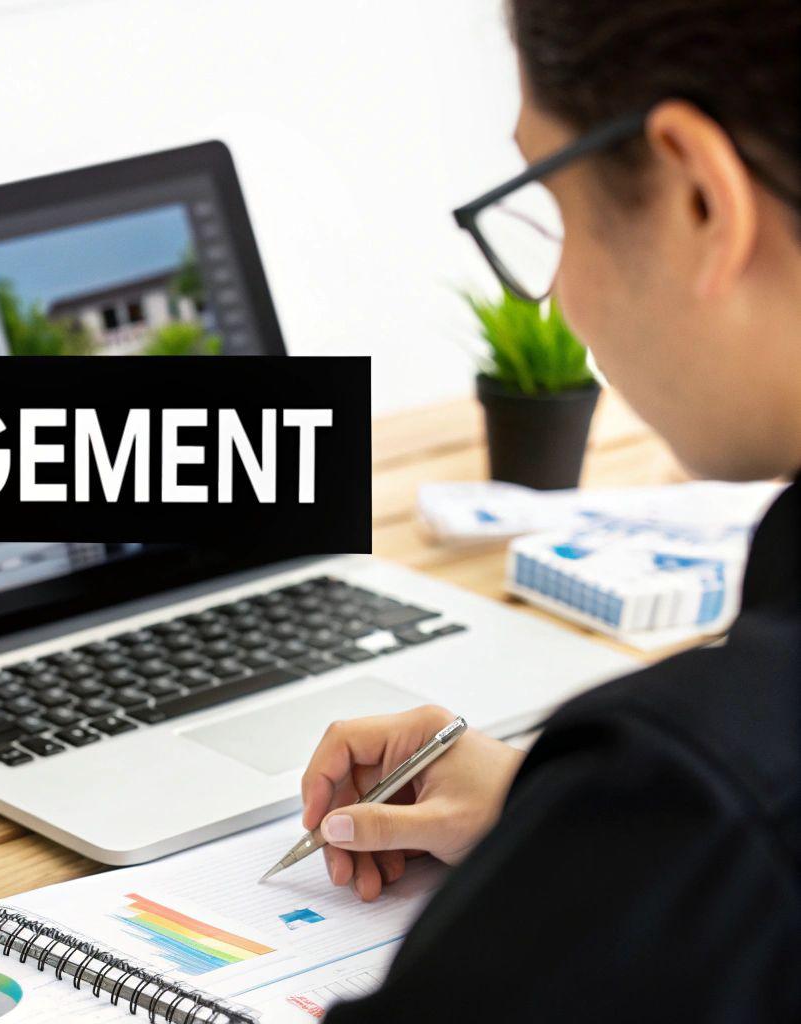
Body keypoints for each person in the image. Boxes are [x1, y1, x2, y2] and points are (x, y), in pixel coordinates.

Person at [311, 1, 801, 1019]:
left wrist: (619, 835)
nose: (553, 288)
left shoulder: (702, 792)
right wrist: (560, 810)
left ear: (697, 200)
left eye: (551, 207)